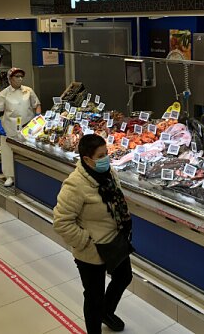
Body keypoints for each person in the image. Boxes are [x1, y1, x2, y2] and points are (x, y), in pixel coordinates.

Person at [54, 134, 132, 334]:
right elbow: (62, 222)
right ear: (87, 159)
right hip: (92, 250)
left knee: (124, 277)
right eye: (101, 155)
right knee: (94, 297)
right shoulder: (75, 185)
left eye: (106, 153)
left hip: (115, 241)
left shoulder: (109, 173)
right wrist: (86, 242)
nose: (106, 158)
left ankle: (106, 312)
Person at [0, 67, 41, 187]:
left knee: (27, 151)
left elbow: (37, 104)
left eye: (21, 76)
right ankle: (10, 176)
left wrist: (38, 117)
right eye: (16, 77)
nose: (19, 79)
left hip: (27, 126)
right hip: (10, 126)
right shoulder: (4, 93)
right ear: (10, 79)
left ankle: (29, 174)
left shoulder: (28, 91)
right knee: (8, 151)